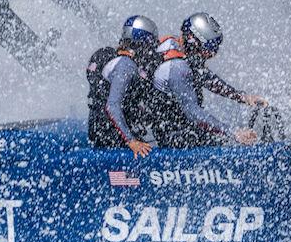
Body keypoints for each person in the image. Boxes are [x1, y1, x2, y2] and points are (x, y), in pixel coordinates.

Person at [152, 12, 262, 148]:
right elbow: (193, 112)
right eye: (207, 52)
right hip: (171, 133)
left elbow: (207, 78)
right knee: (221, 140)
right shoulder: (177, 67)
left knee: (220, 138)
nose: (210, 56)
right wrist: (234, 132)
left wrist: (242, 97)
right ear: (193, 41)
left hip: (181, 123)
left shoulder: (178, 46)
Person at [87, 15, 161, 157]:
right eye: (151, 44)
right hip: (110, 134)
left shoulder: (122, 61)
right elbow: (112, 105)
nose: (152, 51)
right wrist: (131, 140)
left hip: (101, 129)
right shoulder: (125, 65)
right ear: (143, 43)